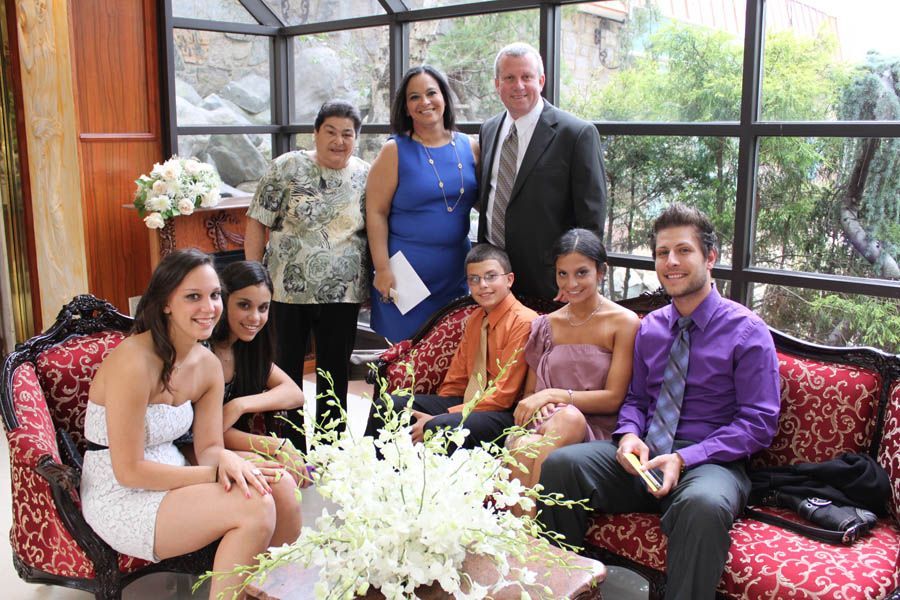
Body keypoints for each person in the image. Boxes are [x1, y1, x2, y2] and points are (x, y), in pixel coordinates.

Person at [537, 204, 781, 600]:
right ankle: (563, 589)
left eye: (684, 251)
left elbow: (758, 424)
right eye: (662, 253)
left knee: (703, 506)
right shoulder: (650, 328)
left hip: (711, 462)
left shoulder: (747, 331)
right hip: (647, 455)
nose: (671, 262)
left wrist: (685, 458)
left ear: (710, 257)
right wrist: (630, 434)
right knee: (563, 465)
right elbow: (635, 399)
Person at [80, 249, 300, 600]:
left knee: (282, 486)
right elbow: (130, 471)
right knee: (255, 505)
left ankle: (248, 587)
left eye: (214, 295)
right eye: (193, 296)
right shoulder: (134, 362)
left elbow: (210, 448)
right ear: (166, 302)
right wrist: (215, 473)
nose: (209, 307)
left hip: (176, 472)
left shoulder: (207, 364)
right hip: (121, 493)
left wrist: (229, 461)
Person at [245, 100, 370, 444]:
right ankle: (291, 440)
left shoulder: (365, 174)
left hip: (343, 291)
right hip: (286, 288)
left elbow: (373, 228)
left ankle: (331, 442)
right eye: (330, 131)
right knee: (286, 366)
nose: (339, 140)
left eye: (348, 133)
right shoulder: (286, 167)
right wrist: (254, 278)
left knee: (335, 369)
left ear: (356, 138)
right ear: (315, 133)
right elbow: (258, 221)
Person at [507, 229, 639, 504]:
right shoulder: (546, 324)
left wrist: (554, 394)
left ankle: (525, 539)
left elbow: (614, 399)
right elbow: (530, 396)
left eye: (581, 273)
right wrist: (541, 402)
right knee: (527, 443)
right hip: (545, 426)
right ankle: (527, 539)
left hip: (596, 429)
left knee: (568, 418)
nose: (571, 283)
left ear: (601, 272)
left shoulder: (623, 322)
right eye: (562, 274)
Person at [363, 243, 537, 449]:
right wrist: (439, 408)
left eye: (491, 276)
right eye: (474, 279)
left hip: (502, 413)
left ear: (509, 279)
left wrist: (443, 415)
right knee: (388, 405)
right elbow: (456, 380)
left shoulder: (524, 322)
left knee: (440, 426)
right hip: (468, 401)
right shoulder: (475, 319)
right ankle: (376, 472)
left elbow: (502, 397)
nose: (483, 285)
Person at [478, 42, 607, 301]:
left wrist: (575, 278)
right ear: (497, 84)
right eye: (509, 78)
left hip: (550, 281)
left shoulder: (576, 134)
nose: (519, 85)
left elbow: (591, 217)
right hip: (493, 277)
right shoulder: (489, 130)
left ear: (541, 80)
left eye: (527, 77)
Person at [367, 65, 479, 342]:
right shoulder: (394, 150)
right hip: (404, 276)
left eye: (431, 93)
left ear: (444, 98)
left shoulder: (471, 146)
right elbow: (376, 213)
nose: (425, 102)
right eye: (414, 97)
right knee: (405, 366)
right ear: (405, 107)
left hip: (455, 274)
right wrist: (382, 269)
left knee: (450, 360)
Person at [208, 260, 310, 494]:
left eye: (263, 308)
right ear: (223, 301)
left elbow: (294, 394)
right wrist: (275, 445)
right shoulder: (204, 350)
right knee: (279, 477)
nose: (255, 317)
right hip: (200, 449)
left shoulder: (247, 348)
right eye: (244, 305)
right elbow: (205, 431)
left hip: (226, 442)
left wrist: (239, 405)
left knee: (283, 476)